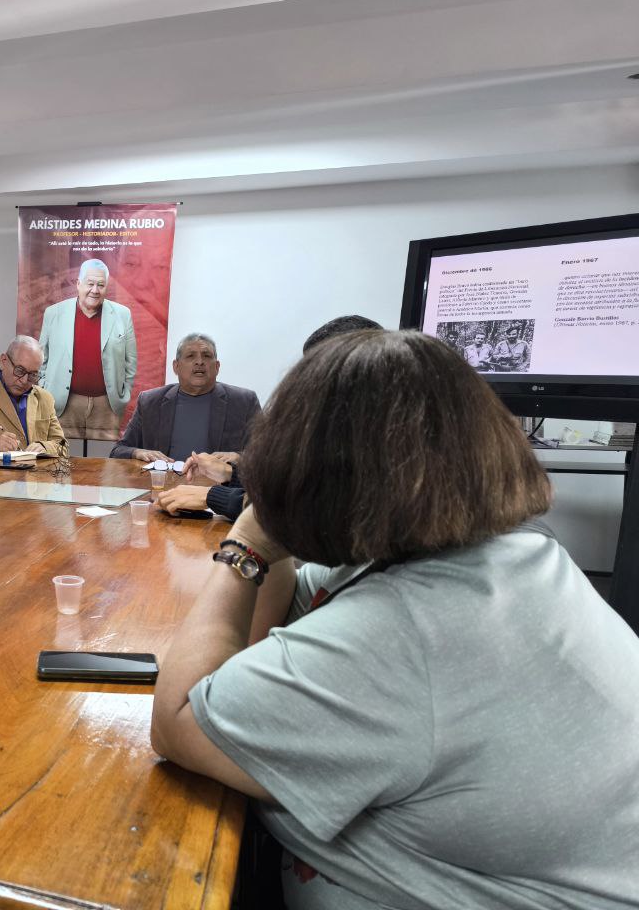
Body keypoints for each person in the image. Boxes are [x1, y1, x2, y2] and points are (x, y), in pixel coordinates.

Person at [150, 328, 639, 909]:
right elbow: (272, 615)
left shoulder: (404, 632)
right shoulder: (516, 552)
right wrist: (271, 527)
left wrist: (245, 546)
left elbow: (177, 721)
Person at [156, 316, 383, 518]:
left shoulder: (376, 444)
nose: (307, 383)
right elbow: (289, 484)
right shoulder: (346, 427)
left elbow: (299, 508)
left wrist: (211, 496)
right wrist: (230, 473)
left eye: (316, 371)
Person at [111, 333, 260, 464]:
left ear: (217, 367)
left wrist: (239, 457)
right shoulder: (150, 402)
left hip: (218, 486)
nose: (199, 362)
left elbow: (267, 454)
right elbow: (118, 451)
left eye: (207, 356)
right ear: (176, 367)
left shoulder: (244, 402)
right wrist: (137, 452)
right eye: (190, 356)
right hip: (163, 484)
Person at [37, 259, 138, 441]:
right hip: (62, 404)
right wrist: (46, 388)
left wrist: (125, 394)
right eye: (90, 284)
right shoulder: (53, 313)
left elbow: (130, 361)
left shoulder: (123, 314)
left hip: (107, 406)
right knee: (60, 456)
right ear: (78, 284)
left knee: (104, 458)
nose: (95, 290)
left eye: (101, 285)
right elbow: (41, 359)